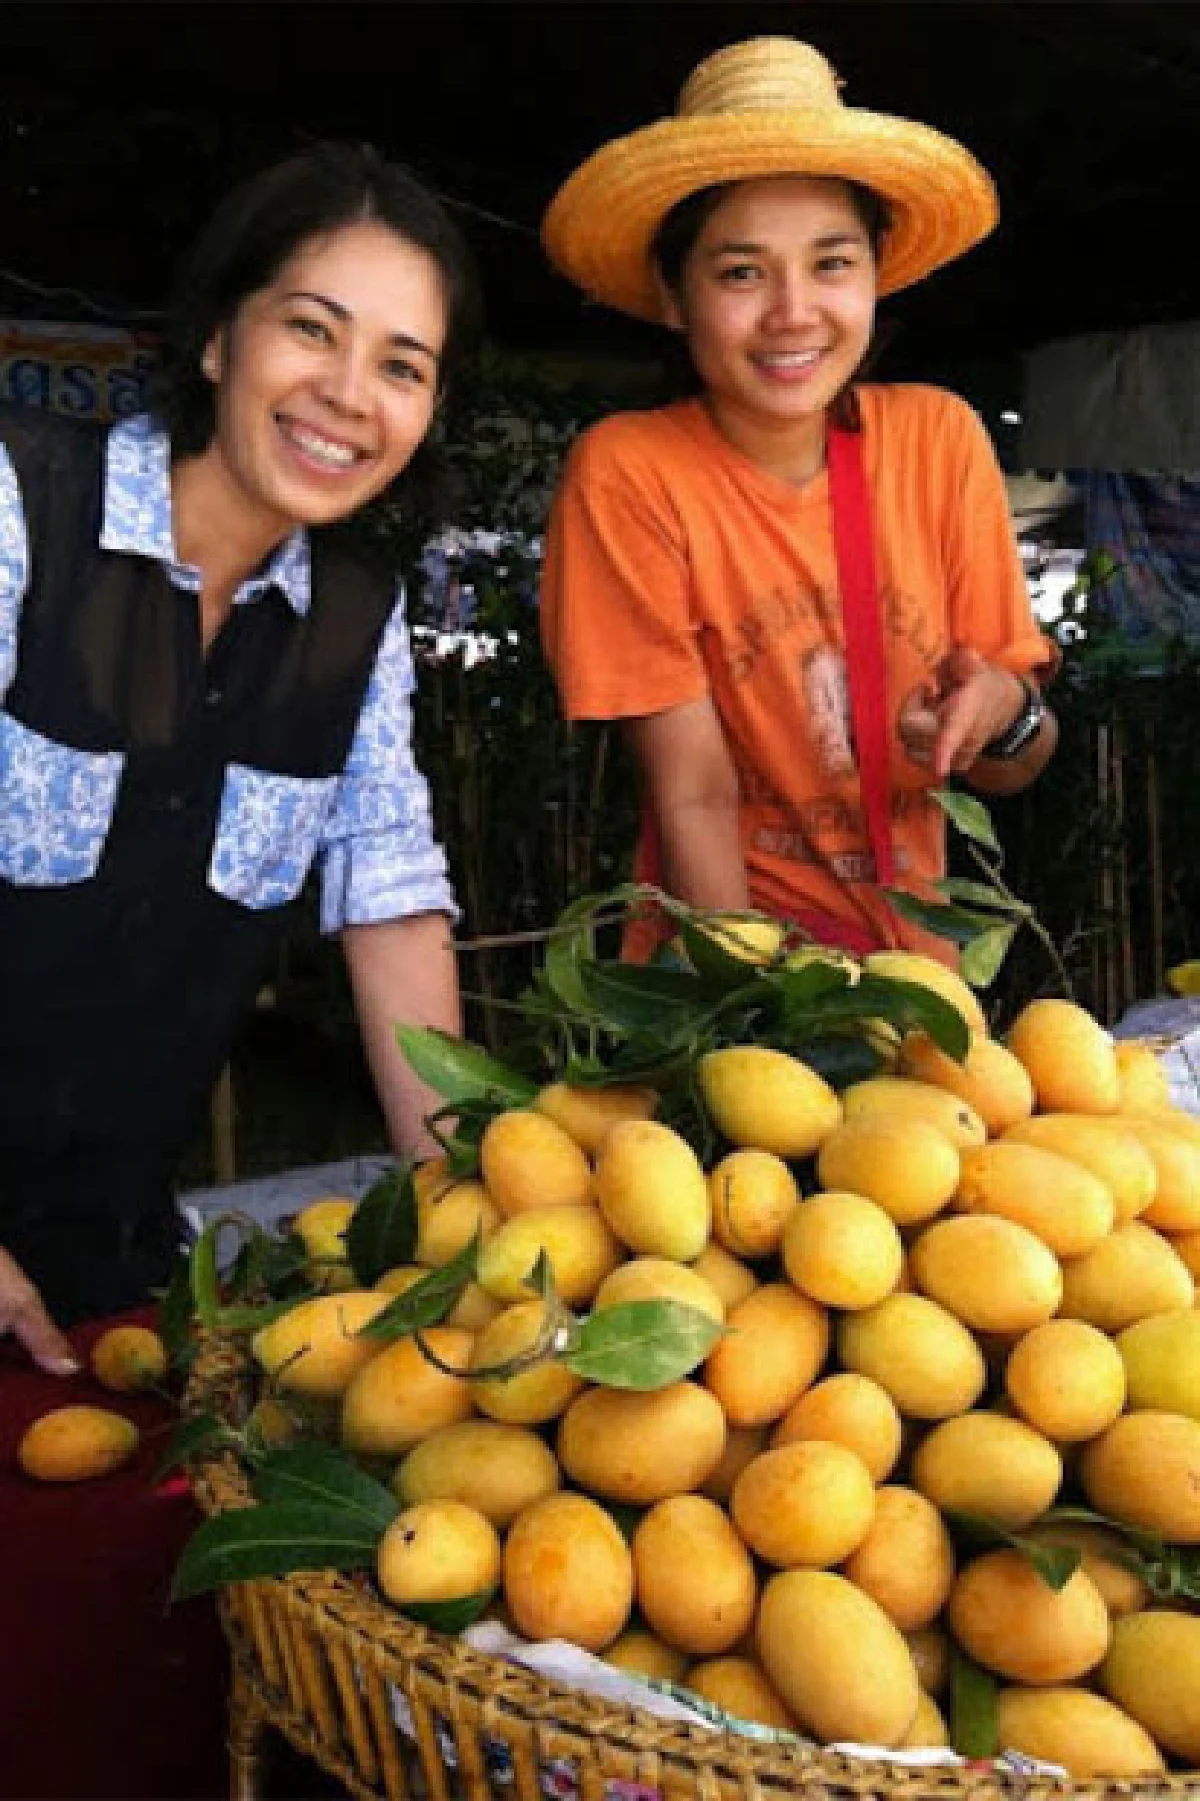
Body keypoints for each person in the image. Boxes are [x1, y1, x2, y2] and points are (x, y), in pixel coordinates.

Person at [0, 143, 480, 1366]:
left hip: (111, 1274)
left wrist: (473, 1223)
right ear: (219, 336)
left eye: (402, 366)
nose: (348, 393)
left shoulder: (350, 626)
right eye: (312, 330)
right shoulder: (23, 508)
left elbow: (391, 898)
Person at [538, 37, 1059, 964]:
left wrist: (1001, 710)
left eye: (831, 263)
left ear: (875, 272)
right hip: (723, 963)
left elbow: (1017, 761)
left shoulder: (940, 439)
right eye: (741, 272)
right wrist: (760, 1009)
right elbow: (692, 790)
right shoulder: (631, 472)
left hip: (919, 983)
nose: (792, 313)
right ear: (672, 293)